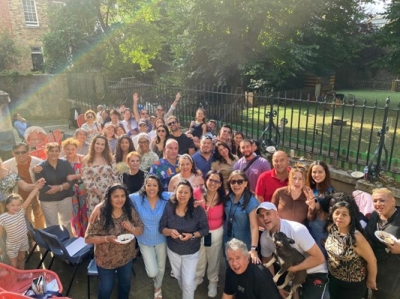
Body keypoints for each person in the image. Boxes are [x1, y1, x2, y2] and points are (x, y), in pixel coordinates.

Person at [257, 202, 329, 299]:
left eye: (268, 213)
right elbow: (266, 261)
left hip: (314, 272)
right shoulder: (265, 238)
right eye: (261, 216)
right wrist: (276, 286)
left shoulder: (296, 230)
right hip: (292, 274)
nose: (265, 218)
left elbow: (319, 258)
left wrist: (294, 269)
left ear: (277, 213)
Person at [85, 183, 143, 299]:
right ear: (109, 197)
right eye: (116, 196)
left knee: (125, 285)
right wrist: (106, 238)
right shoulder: (100, 214)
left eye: (123, 196)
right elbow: (88, 239)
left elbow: (140, 230)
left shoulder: (129, 211)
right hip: (105, 259)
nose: (120, 199)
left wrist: (131, 228)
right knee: (106, 288)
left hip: (126, 257)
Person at [159, 180, 209, 299]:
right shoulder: (169, 206)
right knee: (179, 276)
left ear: (191, 194)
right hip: (173, 250)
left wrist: (191, 235)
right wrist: (170, 232)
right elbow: (161, 227)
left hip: (191, 251)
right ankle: (187, 292)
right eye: (180, 192)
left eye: (186, 192)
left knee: (188, 282)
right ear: (175, 193)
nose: (182, 195)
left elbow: (205, 229)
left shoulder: (197, 209)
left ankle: (187, 294)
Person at [325, 198, 377, 299]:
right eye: (337, 213)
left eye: (344, 214)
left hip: (352, 285)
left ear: (351, 217)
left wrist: (371, 280)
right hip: (333, 279)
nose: (339, 217)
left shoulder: (355, 237)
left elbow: (372, 260)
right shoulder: (332, 228)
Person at [0, 179, 45, 269]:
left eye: (18, 205)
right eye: (12, 205)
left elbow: (30, 197)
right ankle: (15, 280)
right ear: (7, 206)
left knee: (22, 258)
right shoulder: (3, 218)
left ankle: (22, 275)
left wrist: (37, 187)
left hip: (23, 241)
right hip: (12, 244)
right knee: (14, 265)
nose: (16, 207)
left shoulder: (21, 211)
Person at [194, 170, 225, 298]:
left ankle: (213, 281)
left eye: (216, 181)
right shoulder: (197, 192)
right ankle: (198, 277)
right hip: (199, 231)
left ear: (220, 184)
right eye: (210, 180)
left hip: (215, 231)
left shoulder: (224, 197)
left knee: (213, 257)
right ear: (206, 180)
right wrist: (193, 205)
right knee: (200, 256)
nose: (213, 183)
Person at [365, 188, 400, 299]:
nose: (378, 204)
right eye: (375, 201)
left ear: (393, 201)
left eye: (382, 200)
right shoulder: (375, 216)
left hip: (394, 278)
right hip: (375, 273)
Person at [34, 143, 75, 234]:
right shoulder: (40, 167)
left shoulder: (65, 163)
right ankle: (55, 245)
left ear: (60, 152)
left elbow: (72, 181)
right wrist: (51, 190)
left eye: (56, 151)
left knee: (66, 222)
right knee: (52, 225)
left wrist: (59, 188)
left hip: (65, 197)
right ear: (46, 152)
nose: (54, 153)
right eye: (51, 151)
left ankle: (69, 243)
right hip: (48, 200)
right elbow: (40, 186)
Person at [2, 143, 45, 228]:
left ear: (28, 152)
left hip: (36, 194)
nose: (20, 155)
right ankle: (30, 236)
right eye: (17, 152)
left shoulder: (39, 162)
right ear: (13, 153)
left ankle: (40, 235)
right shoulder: (6, 165)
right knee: (25, 218)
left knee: (39, 214)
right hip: (19, 197)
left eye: (23, 152)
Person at [223, 170, 260, 262]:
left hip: (242, 241)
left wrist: (253, 248)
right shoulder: (228, 197)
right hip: (227, 239)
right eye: (233, 182)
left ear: (246, 183)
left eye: (240, 182)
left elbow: (254, 227)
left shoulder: (251, 202)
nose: (236, 185)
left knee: (240, 266)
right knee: (229, 264)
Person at [82, 135, 120, 215]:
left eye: (102, 144)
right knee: (96, 221)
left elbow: (115, 175)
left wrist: (109, 193)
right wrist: (100, 194)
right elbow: (87, 180)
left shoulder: (110, 158)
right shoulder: (87, 160)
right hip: (94, 195)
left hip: (110, 194)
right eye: (97, 143)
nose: (100, 146)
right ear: (93, 144)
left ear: (105, 146)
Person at [61, 138, 88, 237]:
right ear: (64, 149)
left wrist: (75, 176)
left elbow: (87, 173)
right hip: (69, 190)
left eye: (72, 149)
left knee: (85, 210)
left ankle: (86, 233)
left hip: (82, 187)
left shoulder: (82, 158)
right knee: (74, 211)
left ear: (76, 149)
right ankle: (77, 234)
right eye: (68, 149)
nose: (70, 151)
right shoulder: (61, 161)